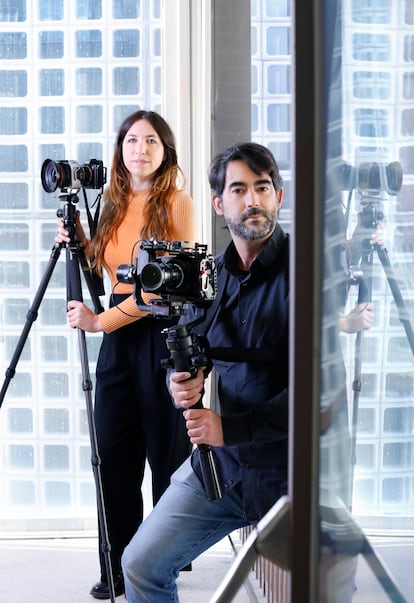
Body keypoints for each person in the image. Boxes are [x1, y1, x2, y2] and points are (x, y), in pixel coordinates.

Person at [121, 141, 290, 602]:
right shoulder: (207, 277)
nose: (251, 200)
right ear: (220, 204)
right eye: (238, 189)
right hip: (222, 466)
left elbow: (317, 395)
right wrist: (183, 379)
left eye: (261, 187)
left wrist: (227, 427)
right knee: (139, 564)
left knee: (284, 593)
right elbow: (187, 353)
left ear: (279, 194)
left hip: (289, 476)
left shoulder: (307, 276)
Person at [55, 110, 194, 599]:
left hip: (160, 334)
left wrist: (100, 322)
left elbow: (159, 291)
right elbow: (109, 269)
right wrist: (79, 243)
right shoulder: (112, 203)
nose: (140, 149)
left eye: (150, 140)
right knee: (113, 457)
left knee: (165, 456)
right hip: (118, 345)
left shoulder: (177, 204)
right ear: (121, 150)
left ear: (165, 151)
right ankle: (115, 569)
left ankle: (158, 568)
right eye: (131, 140)